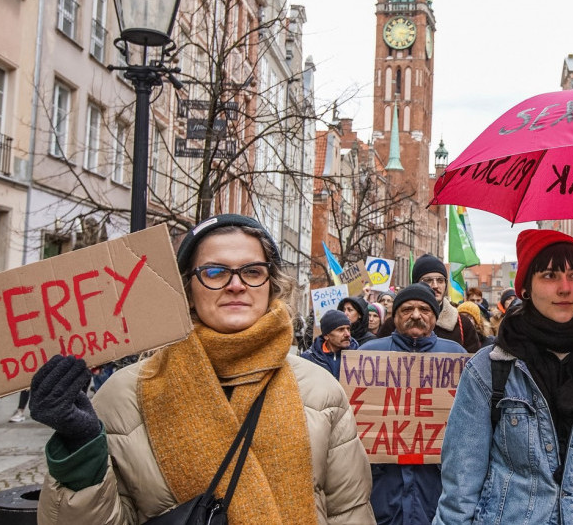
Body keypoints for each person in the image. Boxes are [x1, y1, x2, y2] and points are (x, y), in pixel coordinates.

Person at [30, 214, 374, 523]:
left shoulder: (320, 390)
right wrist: (80, 452)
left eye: (252, 271)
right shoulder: (123, 397)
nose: (236, 284)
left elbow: (349, 512)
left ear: (271, 285)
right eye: (214, 271)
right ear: (187, 290)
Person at [433, 229, 573, 524]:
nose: (565, 288)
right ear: (526, 287)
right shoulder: (490, 369)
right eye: (550, 276)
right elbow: (460, 486)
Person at [359, 284, 466, 525]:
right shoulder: (367, 355)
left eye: (424, 309)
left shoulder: (456, 356)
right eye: (407, 309)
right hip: (382, 488)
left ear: (434, 317)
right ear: (395, 316)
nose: (416, 315)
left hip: (436, 488)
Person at [377, 254, 482, 352]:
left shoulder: (463, 324)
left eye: (440, 280)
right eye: (428, 280)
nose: (435, 286)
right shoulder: (393, 324)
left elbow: (472, 365)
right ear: (416, 283)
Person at [301, 309, 358, 379]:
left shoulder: (359, 356)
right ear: (326, 336)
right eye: (341, 330)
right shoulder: (309, 358)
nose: (347, 334)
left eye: (348, 329)